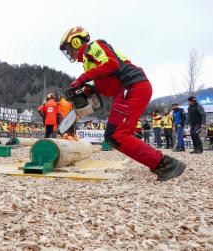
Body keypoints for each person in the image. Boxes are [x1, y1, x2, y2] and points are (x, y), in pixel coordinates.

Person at [59, 26, 186, 181]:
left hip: (133, 86)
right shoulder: (87, 62)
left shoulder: (94, 47)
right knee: (114, 136)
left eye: (69, 49)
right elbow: (108, 88)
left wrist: (82, 79)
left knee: (117, 134)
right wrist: (87, 91)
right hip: (126, 90)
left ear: (77, 42)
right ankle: (160, 164)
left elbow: (112, 64)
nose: (69, 53)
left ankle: (164, 164)